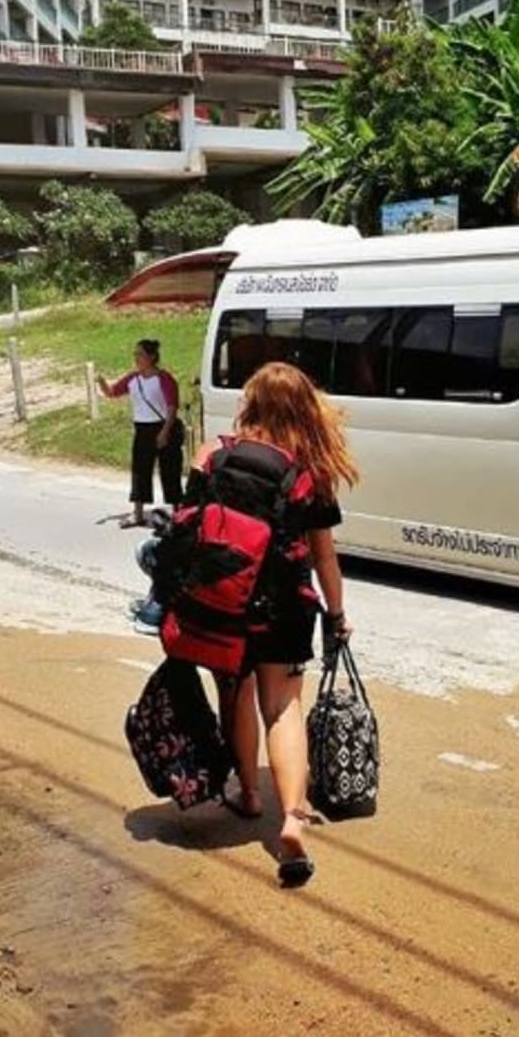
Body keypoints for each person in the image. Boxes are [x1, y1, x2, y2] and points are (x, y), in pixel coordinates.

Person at [191, 362, 358, 888]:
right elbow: (325, 558)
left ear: (251, 405)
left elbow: (187, 527)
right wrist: (337, 615)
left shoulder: (213, 458)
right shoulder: (309, 473)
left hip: (227, 601)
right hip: (289, 603)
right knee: (283, 707)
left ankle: (250, 792)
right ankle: (290, 816)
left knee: (237, 693)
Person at [97, 339, 183, 528]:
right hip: (142, 429)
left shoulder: (164, 379)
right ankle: (138, 513)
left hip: (162, 426)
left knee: (170, 470)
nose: (136, 358)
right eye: (135, 354)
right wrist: (102, 383)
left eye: (140, 354)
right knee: (140, 471)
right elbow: (112, 392)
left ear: (152, 357)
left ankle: (177, 511)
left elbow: (172, 406)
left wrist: (165, 432)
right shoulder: (132, 379)